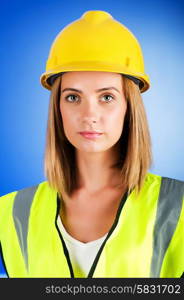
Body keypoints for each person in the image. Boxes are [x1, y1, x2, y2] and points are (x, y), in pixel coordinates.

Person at [0, 10, 184, 278]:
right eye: (73, 97)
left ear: (129, 107)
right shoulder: (10, 213)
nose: (89, 115)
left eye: (107, 97)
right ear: (57, 108)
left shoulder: (177, 206)